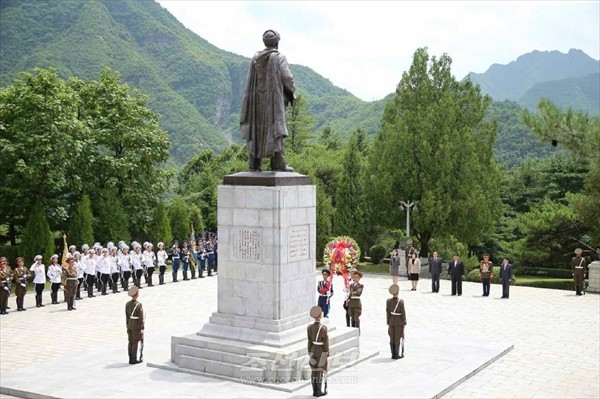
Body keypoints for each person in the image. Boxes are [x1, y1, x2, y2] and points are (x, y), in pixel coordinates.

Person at [240, 29, 296, 172]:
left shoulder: (255, 59)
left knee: (256, 130)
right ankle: (278, 163)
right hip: (273, 100)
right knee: (275, 128)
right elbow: (287, 78)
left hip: (256, 102)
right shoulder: (279, 58)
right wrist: (291, 91)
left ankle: (254, 164)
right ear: (277, 43)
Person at [307, 305, 329, 397]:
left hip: (312, 349)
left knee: (314, 370)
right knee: (319, 370)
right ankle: (318, 392)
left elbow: (309, 340)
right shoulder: (323, 328)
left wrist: (309, 351)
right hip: (321, 351)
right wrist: (327, 353)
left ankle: (314, 391)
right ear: (320, 315)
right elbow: (326, 342)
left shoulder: (309, 327)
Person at [386, 284, 406, 359]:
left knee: (392, 337)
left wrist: (388, 321)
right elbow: (403, 312)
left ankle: (392, 354)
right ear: (398, 292)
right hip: (398, 321)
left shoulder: (388, 301)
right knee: (397, 337)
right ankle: (396, 354)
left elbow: (387, 312)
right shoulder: (400, 301)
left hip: (391, 321)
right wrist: (404, 321)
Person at [125, 286, 145, 365]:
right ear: (136, 294)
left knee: (130, 341)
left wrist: (127, 324)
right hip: (136, 325)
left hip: (129, 324)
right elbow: (140, 317)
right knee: (135, 341)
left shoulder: (127, 304)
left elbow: (126, 315)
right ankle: (134, 359)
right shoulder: (138, 305)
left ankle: (130, 358)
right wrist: (142, 326)